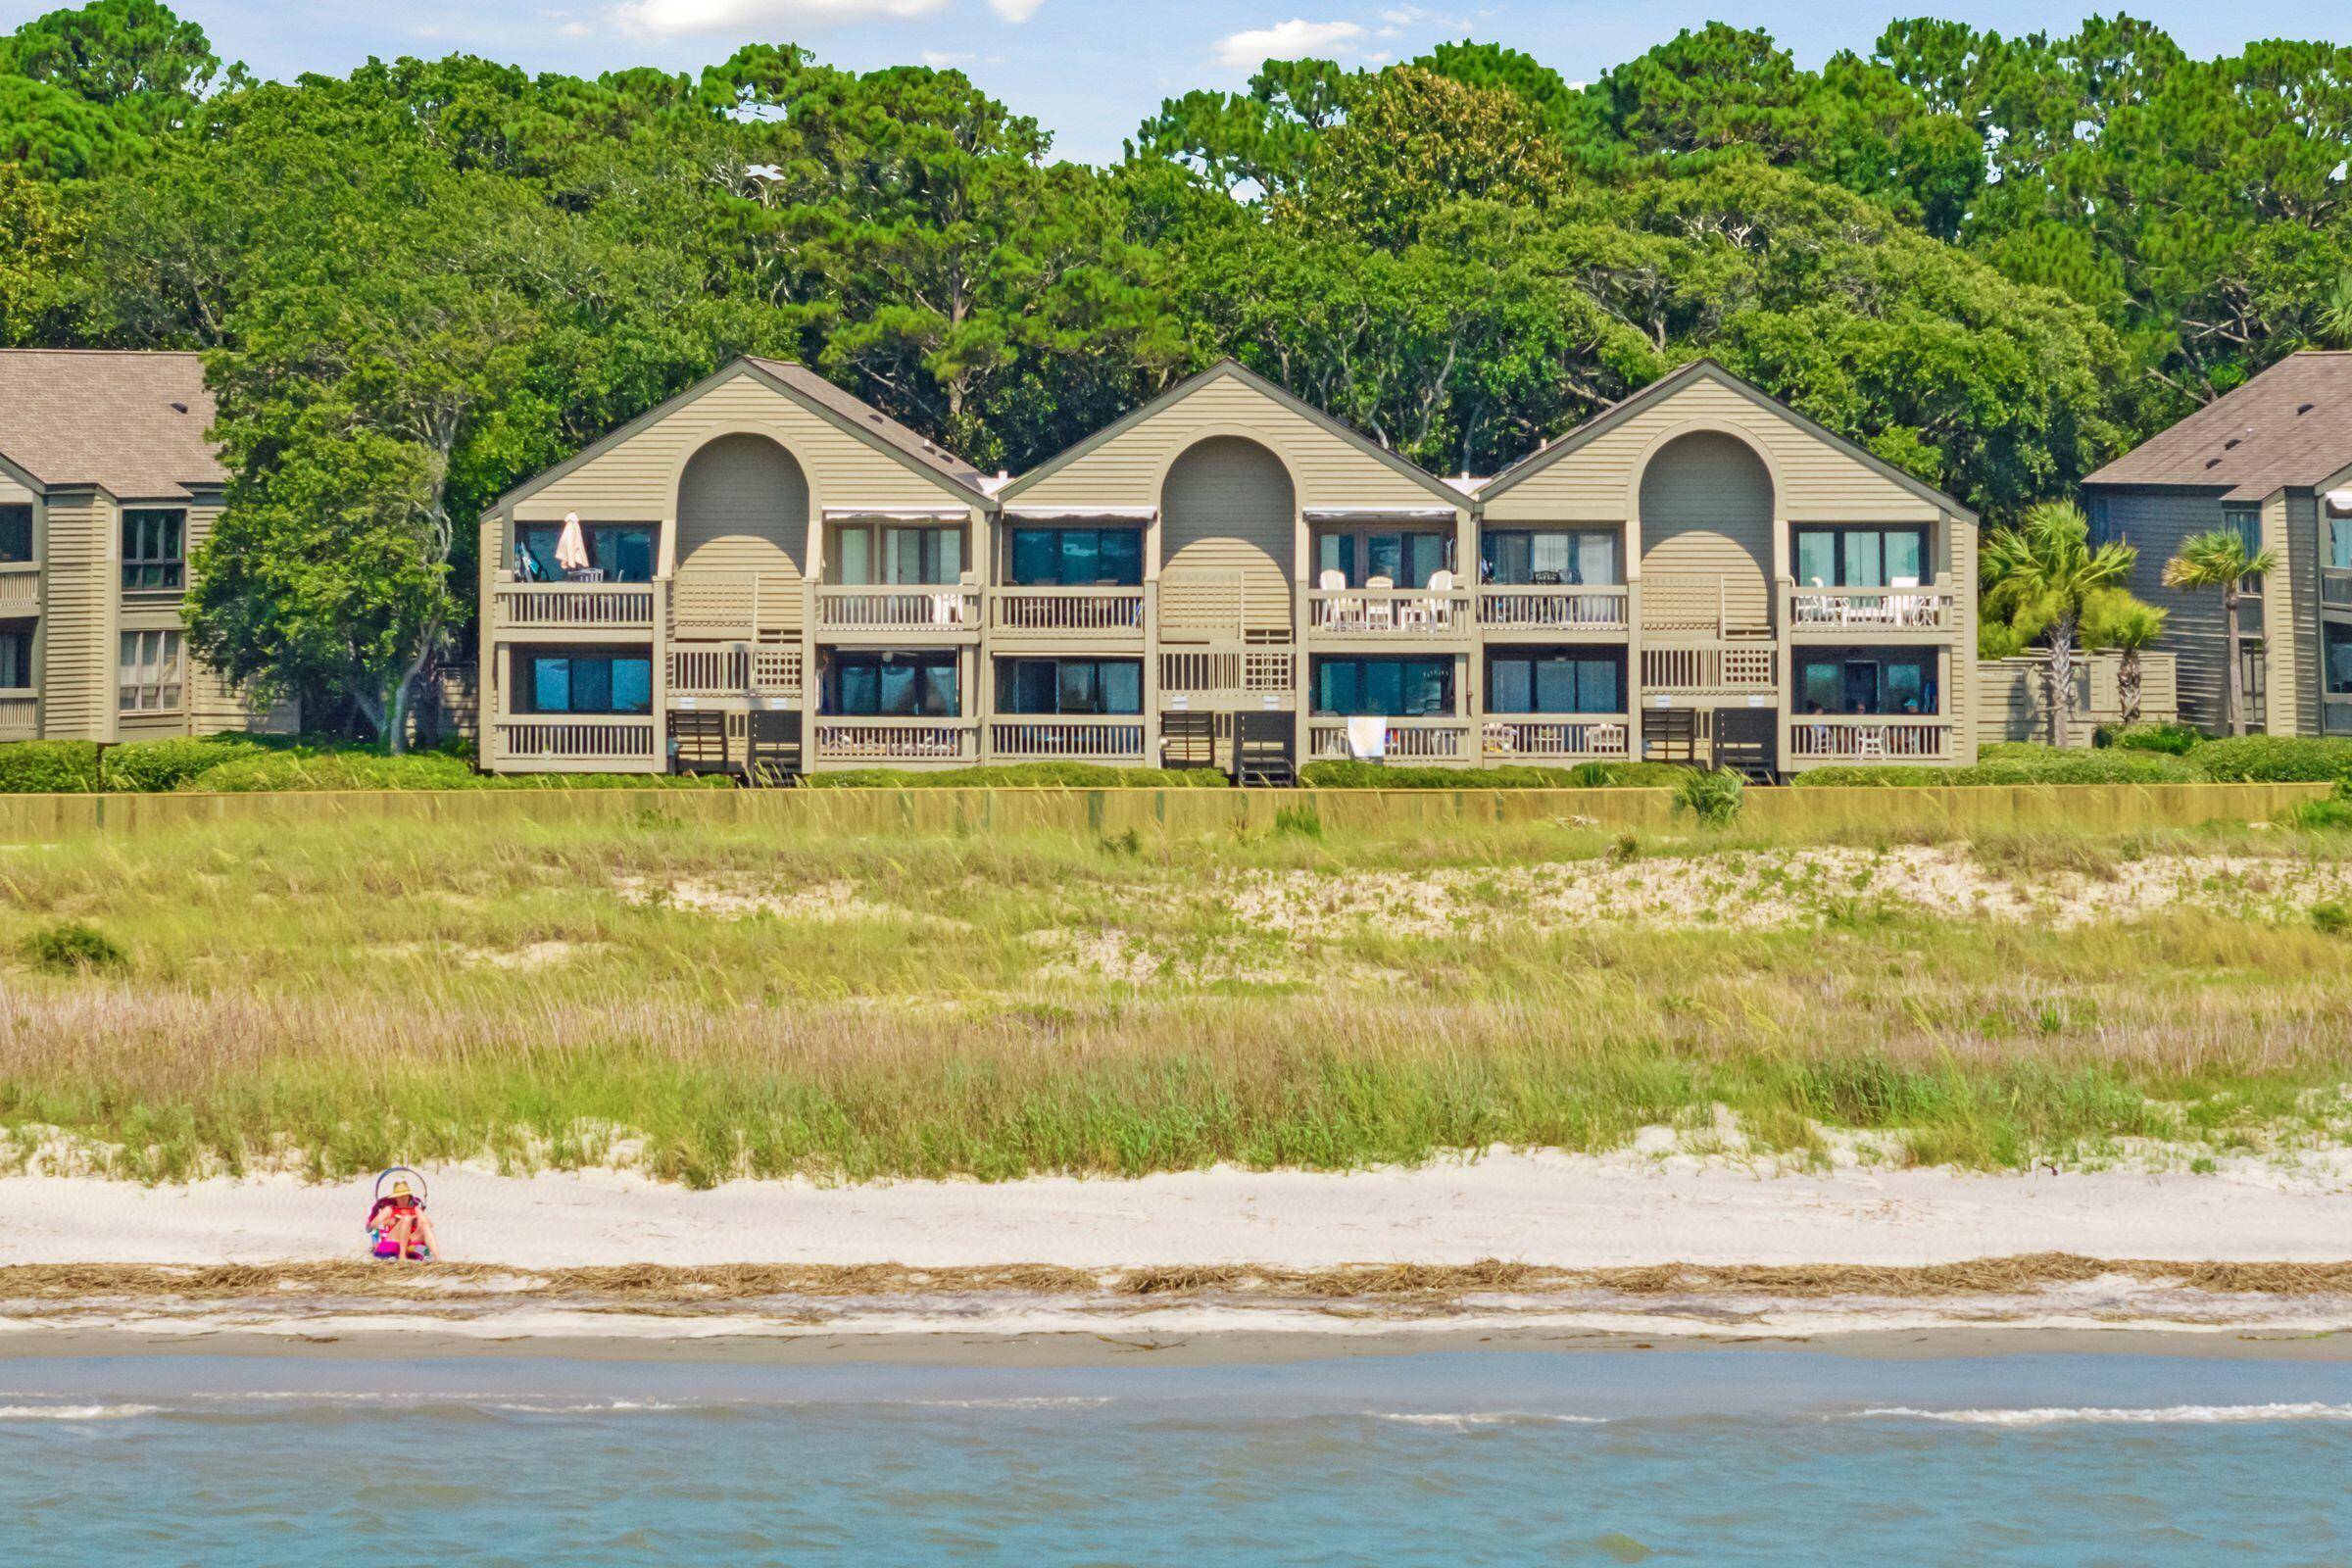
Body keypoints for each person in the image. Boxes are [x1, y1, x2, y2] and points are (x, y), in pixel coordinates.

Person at [368, 1180, 439, 1261]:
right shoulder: (389, 1209)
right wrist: (386, 1222)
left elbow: (430, 1225)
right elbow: (372, 1225)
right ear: (396, 1198)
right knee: (407, 1218)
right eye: (400, 1197)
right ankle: (402, 1255)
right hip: (393, 1239)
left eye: (405, 1197)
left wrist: (418, 1223)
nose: (403, 1199)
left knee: (425, 1225)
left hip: (410, 1240)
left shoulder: (415, 1209)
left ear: (409, 1197)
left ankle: (438, 1258)